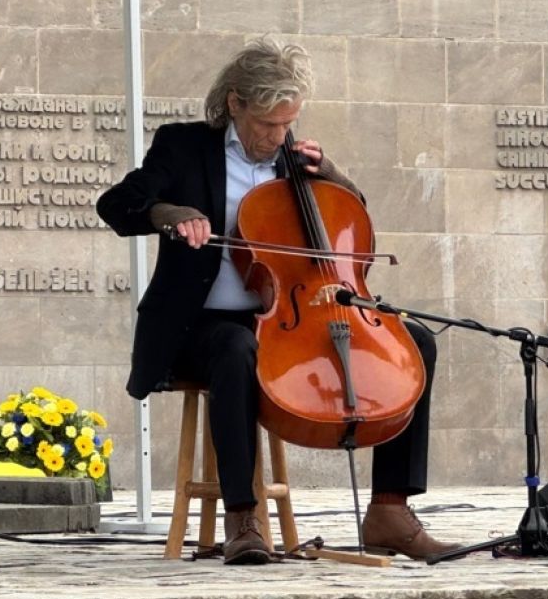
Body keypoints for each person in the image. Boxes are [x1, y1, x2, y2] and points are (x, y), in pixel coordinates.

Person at [97, 37, 461, 565]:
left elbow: (349, 224)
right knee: (235, 348)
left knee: (415, 341)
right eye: (268, 124)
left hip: (295, 320)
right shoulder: (183, 146)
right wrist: (169, 214)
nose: (278, 137)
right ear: (235, 104)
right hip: (201, 327)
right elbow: (117, 204)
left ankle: (390, 511)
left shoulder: (297, 162)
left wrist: (332, 174)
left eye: (288, 123)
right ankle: (243, 518)